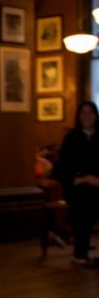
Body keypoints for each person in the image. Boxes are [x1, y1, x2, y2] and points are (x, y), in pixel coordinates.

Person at [54, 100, 99, 266]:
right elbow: (61, 167)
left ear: (96, 115)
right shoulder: (71, 138)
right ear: (78, 116)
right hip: (78, 185)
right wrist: (80, 179)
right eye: (83, 113)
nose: (86, 116)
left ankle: (71, 239)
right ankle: (80, 252)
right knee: (84, 201)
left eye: (90, 113)